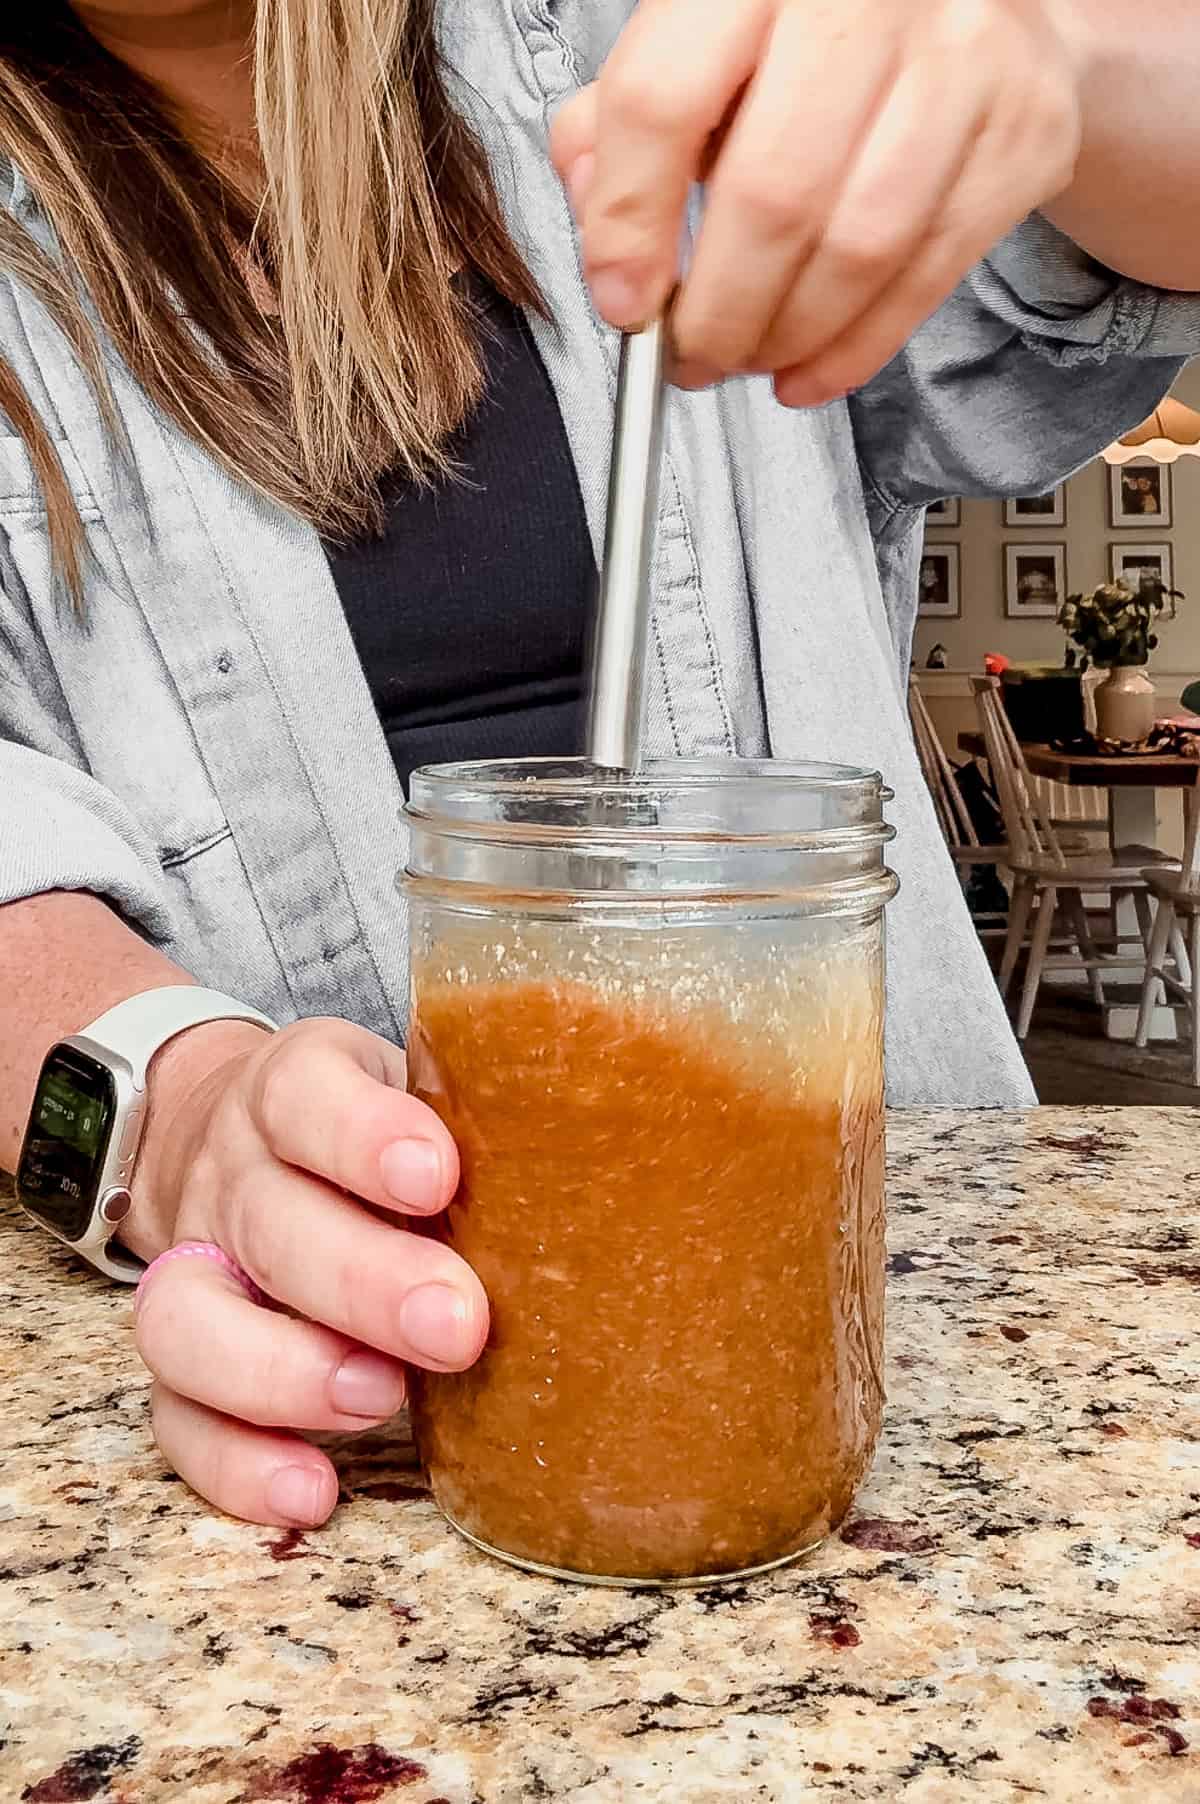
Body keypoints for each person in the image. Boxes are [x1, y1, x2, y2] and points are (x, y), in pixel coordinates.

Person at [2, 0, 1199, 1530]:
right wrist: (188, 1122)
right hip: (350, 1397)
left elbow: (1128, 248)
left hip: (889, 1315)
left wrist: (1064, 64)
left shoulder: (626, 40)